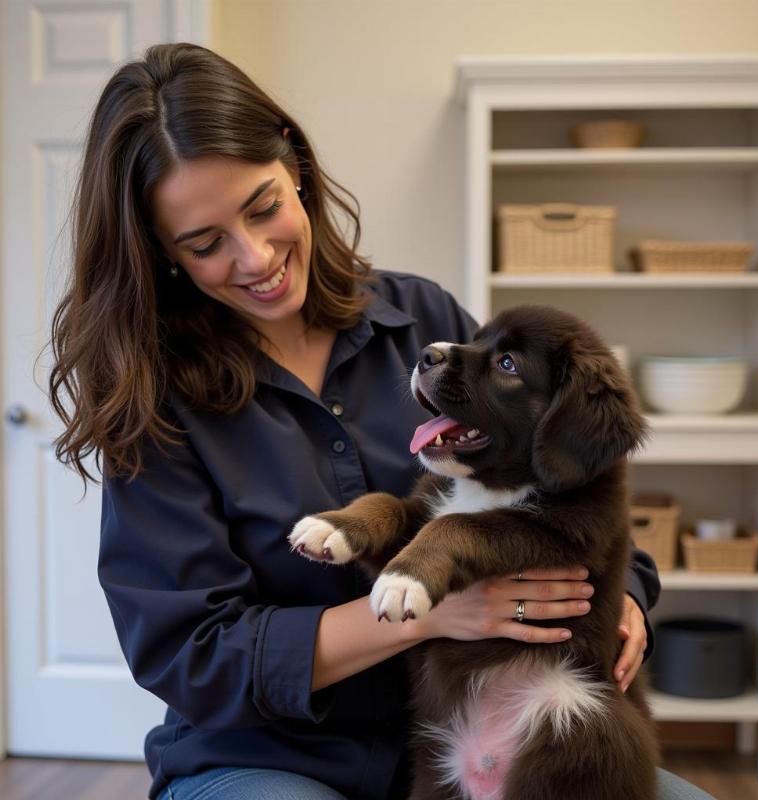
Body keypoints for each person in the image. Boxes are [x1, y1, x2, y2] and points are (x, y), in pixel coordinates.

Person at [48, 43, 715, 800]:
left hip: (492, 744)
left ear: (294, 164)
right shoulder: (155, 404)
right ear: (162, 255)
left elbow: (577, 497)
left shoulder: (423, 323)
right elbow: (191, 655)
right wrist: (423, 614)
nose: (256, 256)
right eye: (205, 245)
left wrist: (623, 603)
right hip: (271, 760)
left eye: (263, 207)